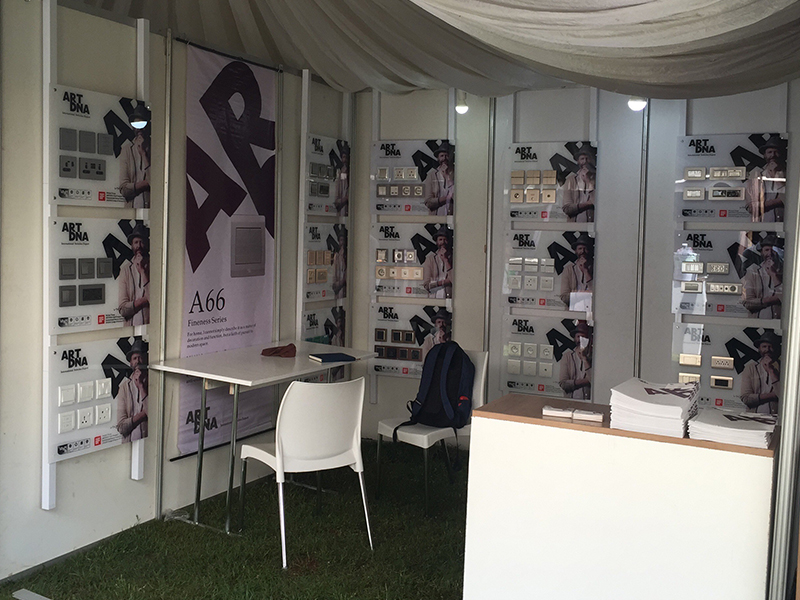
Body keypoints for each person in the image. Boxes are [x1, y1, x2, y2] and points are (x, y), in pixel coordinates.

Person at [745, 135, 786, 222]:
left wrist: (776, 175)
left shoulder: (790, 175)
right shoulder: (756, 176)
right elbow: (752, 208)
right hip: (762, 227)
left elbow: (791, 200)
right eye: (769, 152)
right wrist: (779, 201)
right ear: (764, 155)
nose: (773, 155)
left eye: (776, 152)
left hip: (785, 226)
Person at [742, 234, 782, 319]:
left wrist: (774, 275)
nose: (770, 253)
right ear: (761, 252)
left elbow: (787, 299)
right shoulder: (753, 271)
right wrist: (773, 299)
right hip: (757, 322)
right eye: (766, 250)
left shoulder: (785, 271)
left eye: (773, 250)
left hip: (779, 323)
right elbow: (748, 303)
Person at [740, 331, 781, 415]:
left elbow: (783, 396)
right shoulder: (750, 368)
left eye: (770, 346)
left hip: (775, 418)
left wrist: (771, 370)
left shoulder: (783, 368)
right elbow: (745, 398)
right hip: (753, 418)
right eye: (764, 346)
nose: (767, 350)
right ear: (759, 349)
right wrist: (772, 395)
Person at [116, 338, 148, 442]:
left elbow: (155, 417)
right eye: (134, 358)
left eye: (140, 357)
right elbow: (121, 427)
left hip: (148, 443)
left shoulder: (153, 382)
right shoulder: (124, 387)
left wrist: (141, 386)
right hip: (129, 444)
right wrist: (143, 414)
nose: (137, 361)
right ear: (130, 363)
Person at [118, 222, 150, 326]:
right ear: (131, 245)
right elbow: (122, 309)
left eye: (142, 242)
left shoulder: (155, 266)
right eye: (136, 242)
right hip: (130, 330)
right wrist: (145, 300)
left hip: (149, 328)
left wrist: (142, 271)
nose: (139, 246)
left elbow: (157, 303)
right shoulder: (125, 270)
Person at [558, 322, 593, 400]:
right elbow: (563, 384)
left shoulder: (594, 357)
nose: (580, 340)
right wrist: (586, 381)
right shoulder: (567, 356)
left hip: (588, 401)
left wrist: (584, 358)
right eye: (578, 336)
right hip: (570, 401)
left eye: (583, 337)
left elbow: (596, 382)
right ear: (574, 338)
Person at [562, 144, 596, 223]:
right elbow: (567, 209)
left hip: (593, 226)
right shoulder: (571, 180)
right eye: (582, 159)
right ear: (578, 161)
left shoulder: (599, 179)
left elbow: (601, 205)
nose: (585, 161)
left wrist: (588, 181)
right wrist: (588, 203)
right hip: (574, 227)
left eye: (587, 158)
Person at [559, 234, 594, 308]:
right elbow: (564, 297)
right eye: (580, 248)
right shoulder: (568, 269)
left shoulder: (597, 268)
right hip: (574, 311)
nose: (582, 251)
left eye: (585, 248)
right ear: (575, 251)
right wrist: (585, 294)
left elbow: (598, 295)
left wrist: (586, 270)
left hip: (592, 310)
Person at [119, 129, 151, 209]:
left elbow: (158, 187)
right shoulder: (127, 149)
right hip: (131, 210)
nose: (139, 128)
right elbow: (124, 189)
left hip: (151, 210)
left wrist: (143, 154)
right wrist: (146, 184)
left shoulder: (156, 148)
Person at [423, 141, 454, 216]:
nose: (444, 158)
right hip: (436, 219)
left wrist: (447, 175)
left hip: (452, 219)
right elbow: (428, 202)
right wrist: (447, 198)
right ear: (438, 158)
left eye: (447, 155)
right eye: (442, 156)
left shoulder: (457, 174)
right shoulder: (431, 176)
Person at [422, 225, 453, 299]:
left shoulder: (454, 257)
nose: (443, 242)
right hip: (434, 299)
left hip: (449, 298)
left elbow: (455, 281)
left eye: (445, 239)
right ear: (437, 242)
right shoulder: (430, 259)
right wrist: (445, 282)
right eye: (440, 239)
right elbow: (426, 285)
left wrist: (446, 259)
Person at [332, 226, 348, 300]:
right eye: (341, 240)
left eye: (344, 240)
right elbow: (334, 275)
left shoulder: (348, 255)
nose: (342, 242)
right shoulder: (337, 256)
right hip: (339, 292)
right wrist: (338, 284)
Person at [333, 145, 350, 217]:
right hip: (343, 213)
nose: (345, 160)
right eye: (343, 157)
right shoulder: (341, 174)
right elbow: (336, 200)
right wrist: (345, 199)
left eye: (347, 157)